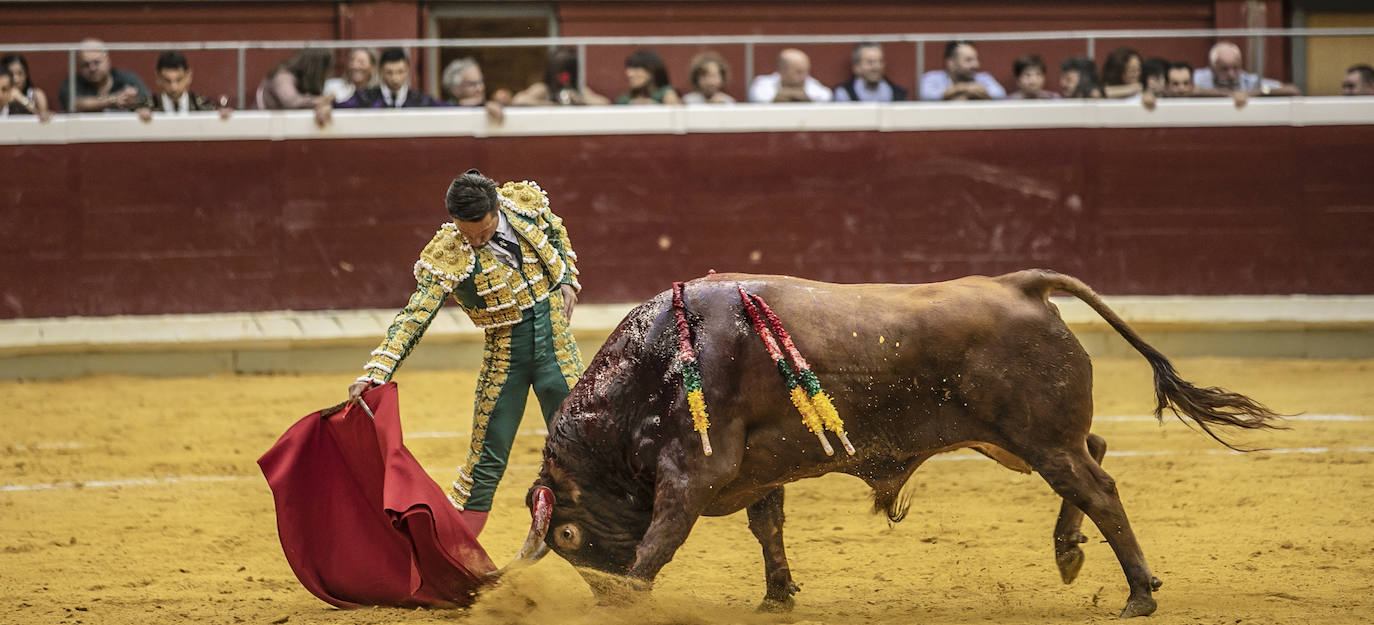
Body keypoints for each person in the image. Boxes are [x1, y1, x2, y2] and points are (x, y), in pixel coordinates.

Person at [347, 170, 584, 538]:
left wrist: (567, 276)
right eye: (467, 234)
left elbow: (555, 230)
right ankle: (456, 559)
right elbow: (415, 315)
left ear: (497, 211)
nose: (475, 242)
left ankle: (606, 544)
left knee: (582, 444)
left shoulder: (524, 204)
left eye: (485, 234)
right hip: (506, 357)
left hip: (558, 346)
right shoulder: (447, 253)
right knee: (485, 464)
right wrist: (377, 371)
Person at [135, 51, 232, 122]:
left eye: (179, 80)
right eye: (167, 81)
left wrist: (224, 116)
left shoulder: (205, 106)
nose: (174, 87)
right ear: (158, 78)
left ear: (189, 76)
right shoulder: (146, 107)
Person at [59, 38, 150, 113]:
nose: (92, 68)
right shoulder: (72, 84)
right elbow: (74, 104)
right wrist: (113, 100)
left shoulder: (127, 78)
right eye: (86, 65)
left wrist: (136, 102)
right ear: (78, 66)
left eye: (96, 62)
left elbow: (149, 101)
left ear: (107, 61)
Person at [1193, 41, 1301, 103]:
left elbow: (1292, 90)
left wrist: (1254, 92)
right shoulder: (1200, 77)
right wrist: (1227, 94)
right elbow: (1185, 90)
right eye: (1224, 69)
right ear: (1213, 67)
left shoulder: (1248, 80)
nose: (1231, 74)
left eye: (1235, 68)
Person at [336, 47, 443, 109]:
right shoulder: (364, 97)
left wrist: (459, 105)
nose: (395, 78)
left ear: (407, 71)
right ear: (381, 72)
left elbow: (445, 107)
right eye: (389, 72)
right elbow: (339, 107)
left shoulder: (420, 100)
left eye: (400, 72)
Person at [257, 48, 334, 127]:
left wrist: (323, 105)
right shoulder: (283, 76)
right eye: (328, 68)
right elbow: (292, 102)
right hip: (263, 128)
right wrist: (320, 101)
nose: (330, 73)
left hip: (282, 128)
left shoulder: (305, 79)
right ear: (317, 68)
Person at [511, 48, 610, 106]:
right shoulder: (544, 88)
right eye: (560, 71)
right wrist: (550, 105)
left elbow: (605, 104)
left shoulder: (578, 90)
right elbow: (518, 100)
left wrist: (580, 100)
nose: (564, 76)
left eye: (567, 71)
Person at [919, 41, 1005, 101]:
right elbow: (927, 95)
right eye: (968, 60)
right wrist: (964, 89)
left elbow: (999, 94)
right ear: (951, 63)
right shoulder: (932, 78)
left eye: (975, 59)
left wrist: (953, 93)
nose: (976, 65)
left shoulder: (984, 78)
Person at [747, 48, 832, 103]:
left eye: (806, 71)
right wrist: (800, 96)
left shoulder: (810, 82)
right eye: (798, 72)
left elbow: (826, 96)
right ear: (782, 71)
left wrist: (786, 95)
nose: (804, 76)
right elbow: (760, 98)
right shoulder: (763, 82)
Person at [832, 42, 908, 102]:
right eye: (870, 62)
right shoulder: (845, 94)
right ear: (856, 67)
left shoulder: (898, 94)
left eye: (880, 61)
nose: (876, 67)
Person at [442, 57, 504, 121]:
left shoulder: (486, 106)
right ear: (455, 89)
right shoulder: (443, 110)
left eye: (481, 81)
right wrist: (463, 105)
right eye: (472, 84)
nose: (481, 88)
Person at [615, 48, 681, 105]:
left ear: (651, 71)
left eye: (636, 68)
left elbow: (677, 115)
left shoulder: (667, 94)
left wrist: (655, 107)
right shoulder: (625, 99)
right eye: (629, 69)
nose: (629, 74)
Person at [3, 53, 52, 120]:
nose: (15, 79)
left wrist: (22, 100)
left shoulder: (37, 95)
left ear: (26, 75)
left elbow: (43, 117)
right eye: (11, 74)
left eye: (20, 73)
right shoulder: (2, 96)